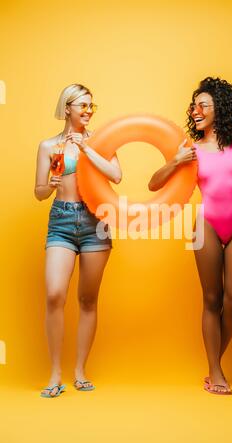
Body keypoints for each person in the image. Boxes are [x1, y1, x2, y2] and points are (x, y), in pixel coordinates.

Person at [148, 77, 232, 395]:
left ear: (220, 109)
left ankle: (215, 363)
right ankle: (216, 371)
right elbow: (153, 185)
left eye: (203, 105)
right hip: (206, 224)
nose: (196, 110)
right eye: (194, 105)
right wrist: (175, 161)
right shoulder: (192, 150)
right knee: (212, 299)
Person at [34, 84, 122, 397]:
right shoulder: (48, 146)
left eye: (90, 106)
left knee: (87, 299)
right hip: (61, 220)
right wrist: (50, 184)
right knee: (55, 294)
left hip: (96, 222)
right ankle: (55, 373)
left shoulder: (103, 140)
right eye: (82, 105)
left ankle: (80, 371)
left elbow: (115, 175)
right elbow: (39, 193)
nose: (87, 111)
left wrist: (86, 149)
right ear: (67, 108)